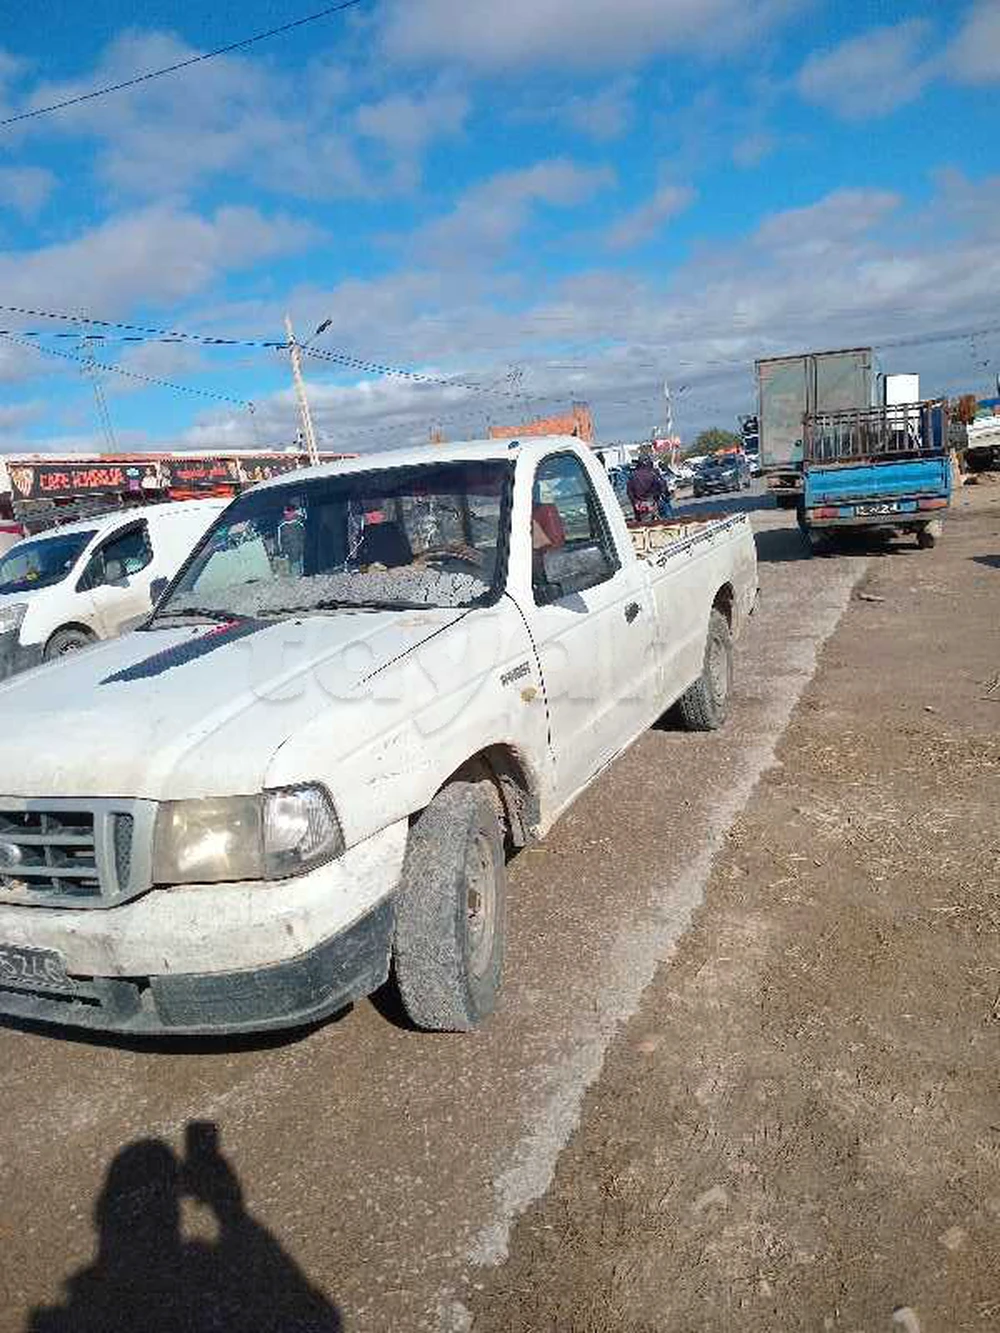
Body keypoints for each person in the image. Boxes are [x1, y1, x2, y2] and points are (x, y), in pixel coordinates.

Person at [627, 450, 667, 523]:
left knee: (641, 525)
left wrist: (635, 502)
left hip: (639, 505)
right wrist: (656, 498)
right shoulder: (653, 473)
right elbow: (661, 487)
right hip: (650, 503)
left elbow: (629, 492)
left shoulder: (633, 475)